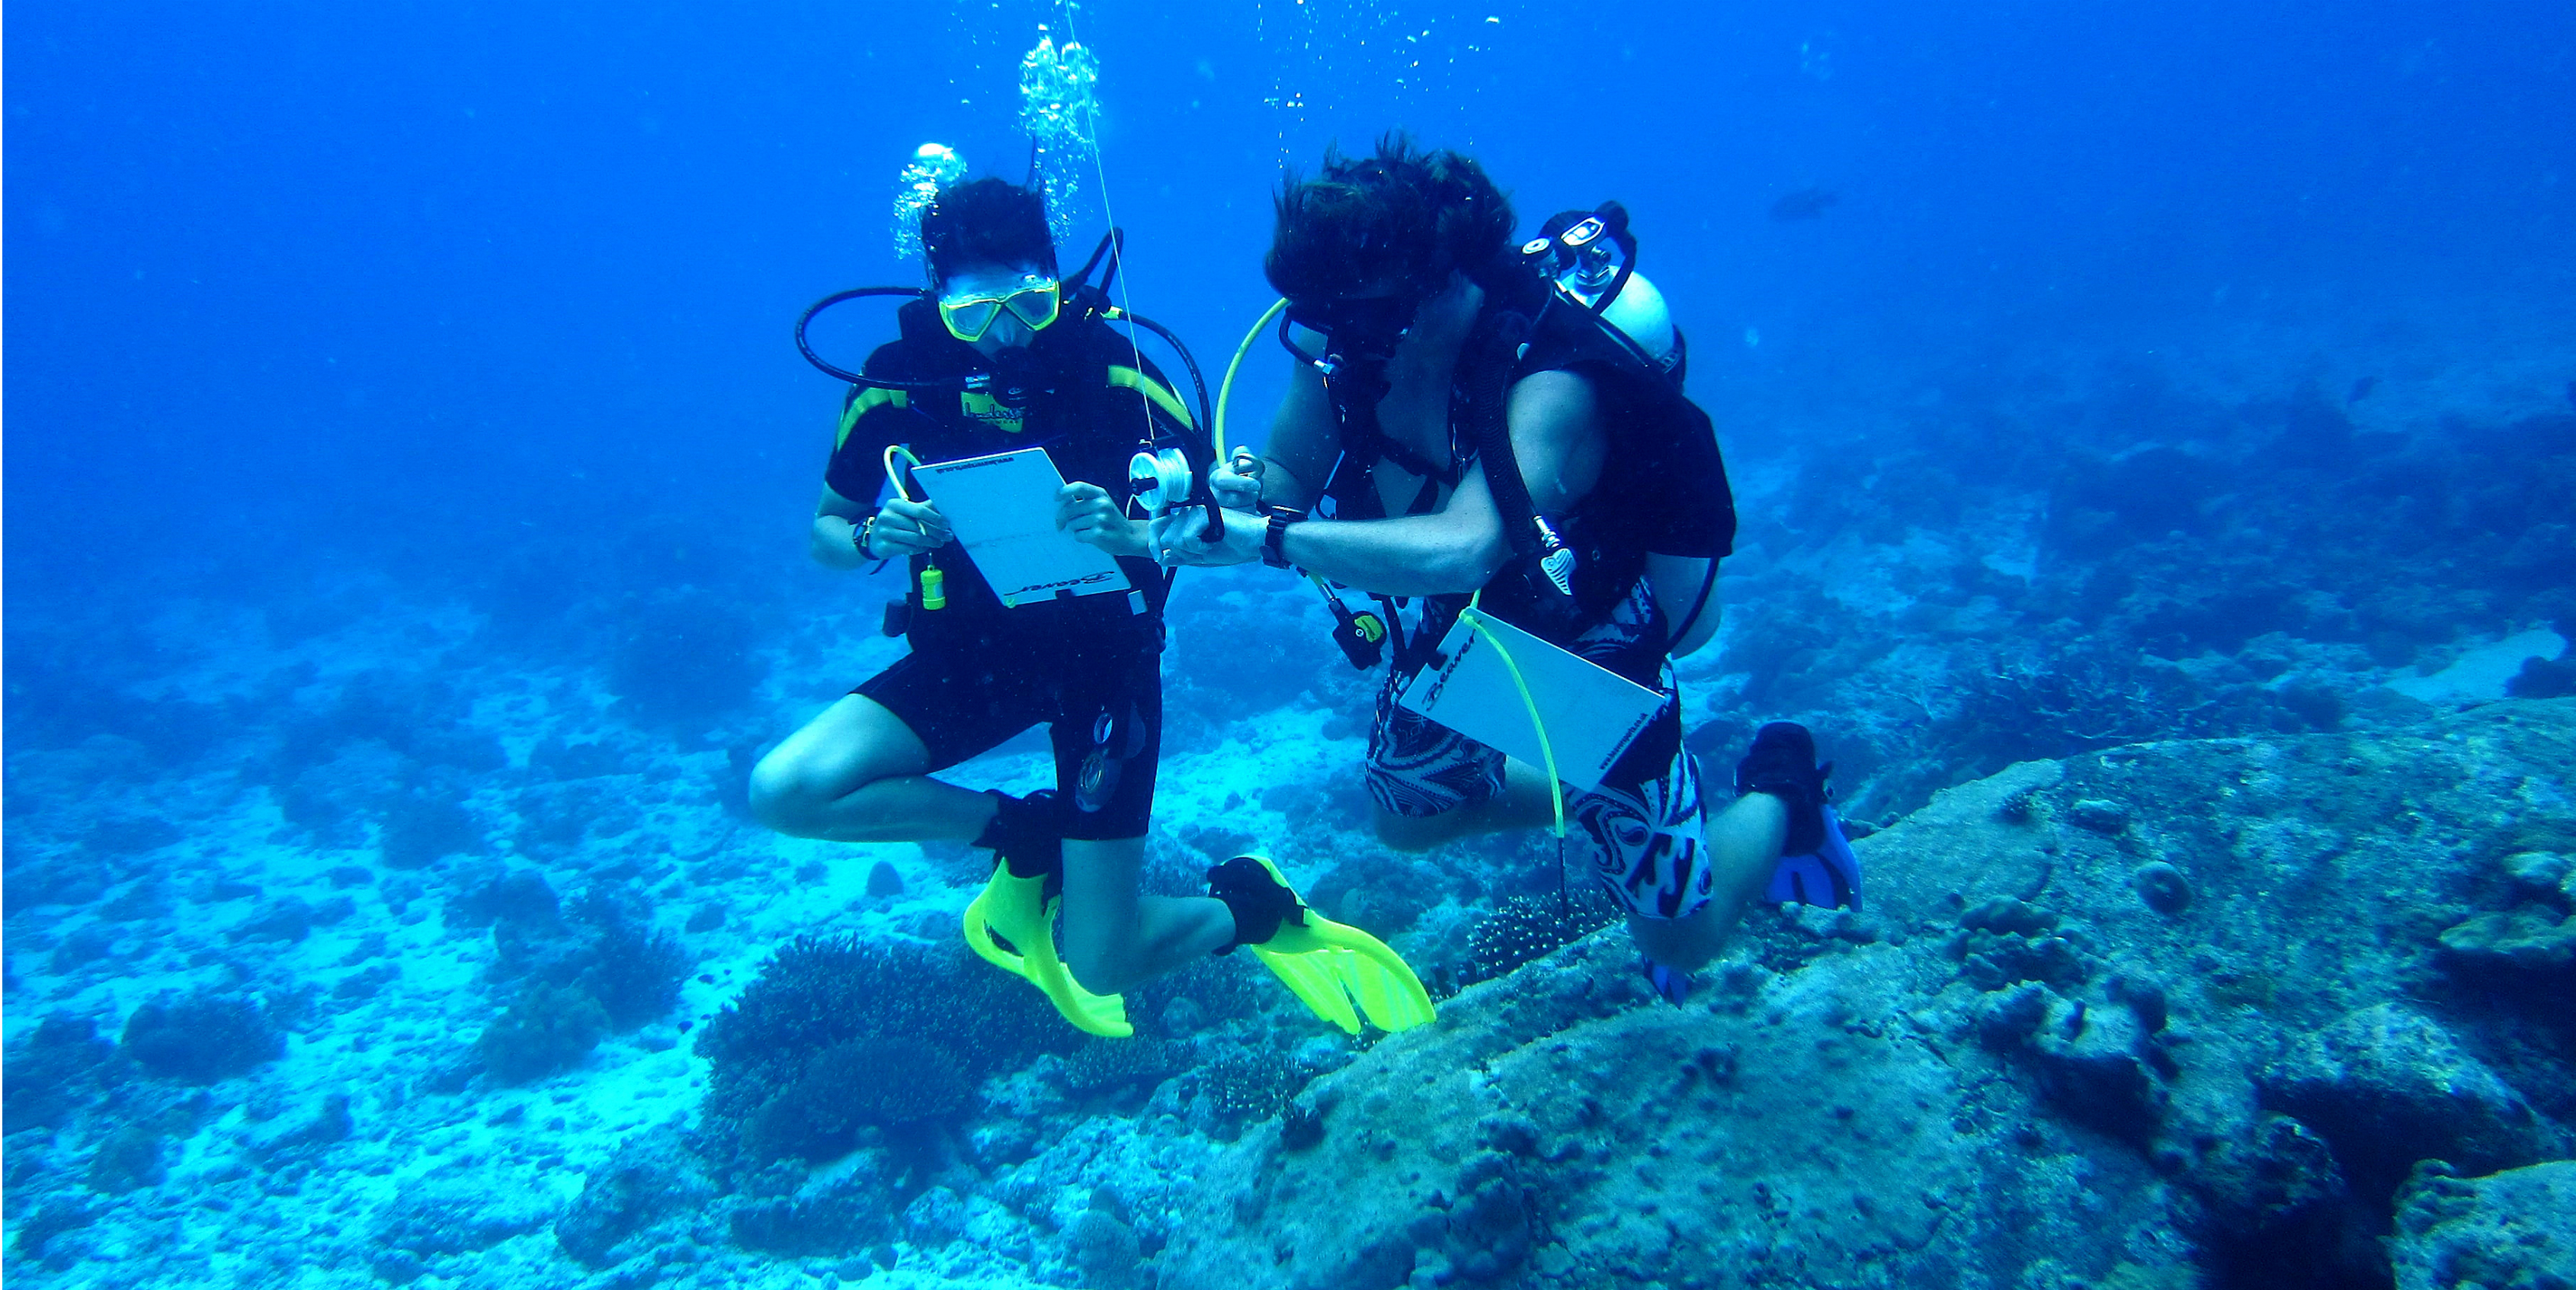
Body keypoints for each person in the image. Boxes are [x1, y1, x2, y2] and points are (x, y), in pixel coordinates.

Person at [1155, 137, 1856, 1002]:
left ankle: (1782, 792)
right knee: (1403, 820)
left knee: (1685, 939)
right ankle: (1596, 787)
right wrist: (1236, 494)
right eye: (1325, 318)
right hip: (1463, 626)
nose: (1343, 341)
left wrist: (1270, 539)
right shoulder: (1349, 347)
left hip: (1585, 639)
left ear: (1447, 281)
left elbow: (1469, 543)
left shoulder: (1549, 372)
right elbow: (1287, 476)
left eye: (1367, 318)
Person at [750, 176, 1431, 1039]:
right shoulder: (892, 386)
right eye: (972, 313)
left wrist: (1132, 532)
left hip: (1100, 667)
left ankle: (1255, 904)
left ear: (1055, 280)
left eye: (1027, 304)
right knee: (786, 791)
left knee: (1102, 960)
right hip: (970, 661)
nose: (1002, 335)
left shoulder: (1118, 375)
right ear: (936, 300)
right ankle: (1027, 838)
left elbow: (1213, 525)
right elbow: (826, 531)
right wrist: (874, 539)